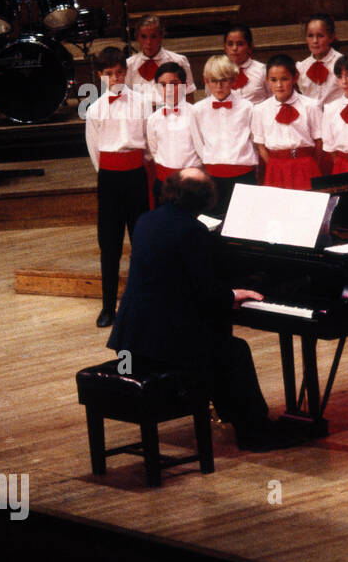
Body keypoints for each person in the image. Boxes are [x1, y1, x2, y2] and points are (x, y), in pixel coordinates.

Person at [106, 169, 291, 452]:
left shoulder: (146, 220)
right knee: (233, 351)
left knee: (215, 342)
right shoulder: (191, 231)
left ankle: (234, 416)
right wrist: (233, 293)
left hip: (130, 342)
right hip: (161, 345)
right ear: (205, 199)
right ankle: (255, 433)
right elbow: (206, 293)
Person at [85, 46, 150, 328]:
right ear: (100, 75)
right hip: (110, 179)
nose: (115, 78)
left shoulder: (142, 102)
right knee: (109, 245)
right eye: (109, 74)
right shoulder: (94, 109)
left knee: (142, 242)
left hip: (137, 174)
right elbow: (95, 151)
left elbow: (149, 140)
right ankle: (108, 307)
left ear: (126, 71)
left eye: (119, 72)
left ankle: (144, 304)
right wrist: (111, 174)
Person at [193, 55, 257, 216]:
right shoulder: (198, 110)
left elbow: (254, 140)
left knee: (243, 220)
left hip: (244, 174)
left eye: (224, 80)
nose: (219, 86)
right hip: (213, 176)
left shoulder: (248, 108)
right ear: (206, 81)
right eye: (214, 81)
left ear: (234, 80)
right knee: (213, 221)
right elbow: (198, 141)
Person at [250, 54, 322, 189]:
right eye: (273, 80)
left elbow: (319, 142)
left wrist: (311, 164)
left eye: (284, 79)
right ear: (267, 80)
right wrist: (274, 165)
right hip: (276, 167)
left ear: (295, 78)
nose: (279, 85)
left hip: (305, 165)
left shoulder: (311, 106)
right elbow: (261, 146)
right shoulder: (260, 110)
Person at [145, 63, 202, 204]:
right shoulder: (153, 119)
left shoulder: (196, 114)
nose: (168, 90)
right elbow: (154, 150)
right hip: (164, 182)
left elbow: (202, 149)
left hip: (191, 183)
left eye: (174, 84)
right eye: (163, 85)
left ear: (185, 85)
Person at [126, 15, 194, 105]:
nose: (148, 42)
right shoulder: (129, 65)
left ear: (161, 36)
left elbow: (188, 96)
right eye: (143, 37)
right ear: (137, 37)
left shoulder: (178, 61)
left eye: (153, 37)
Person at [296, 13, 343, 106]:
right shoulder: (301, 67)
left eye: (320, 36)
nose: (315, 41)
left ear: (331, 37)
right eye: (310, 36)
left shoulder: (342, 64)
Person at [223, 24, 268, 104]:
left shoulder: (262, 71)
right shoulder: (218, 72)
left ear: (250, 47)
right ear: (225, 48)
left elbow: (273, 99)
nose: (234, 48)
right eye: (230, 44)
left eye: (240, 44)